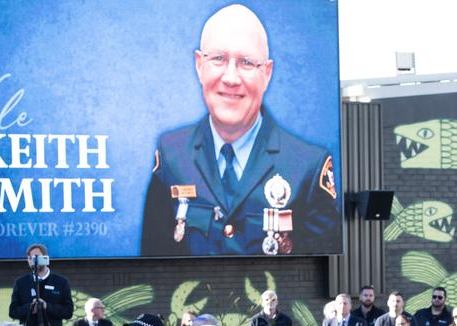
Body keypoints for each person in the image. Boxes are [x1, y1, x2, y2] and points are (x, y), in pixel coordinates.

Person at [140, 4, 339, 256]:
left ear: (267, 73)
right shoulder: (171, 154)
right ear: (199, 65)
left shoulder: (307, 167)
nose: (231, 78)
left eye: (246, 62)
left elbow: (321, 262)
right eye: (219, 59)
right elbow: (153, 258)